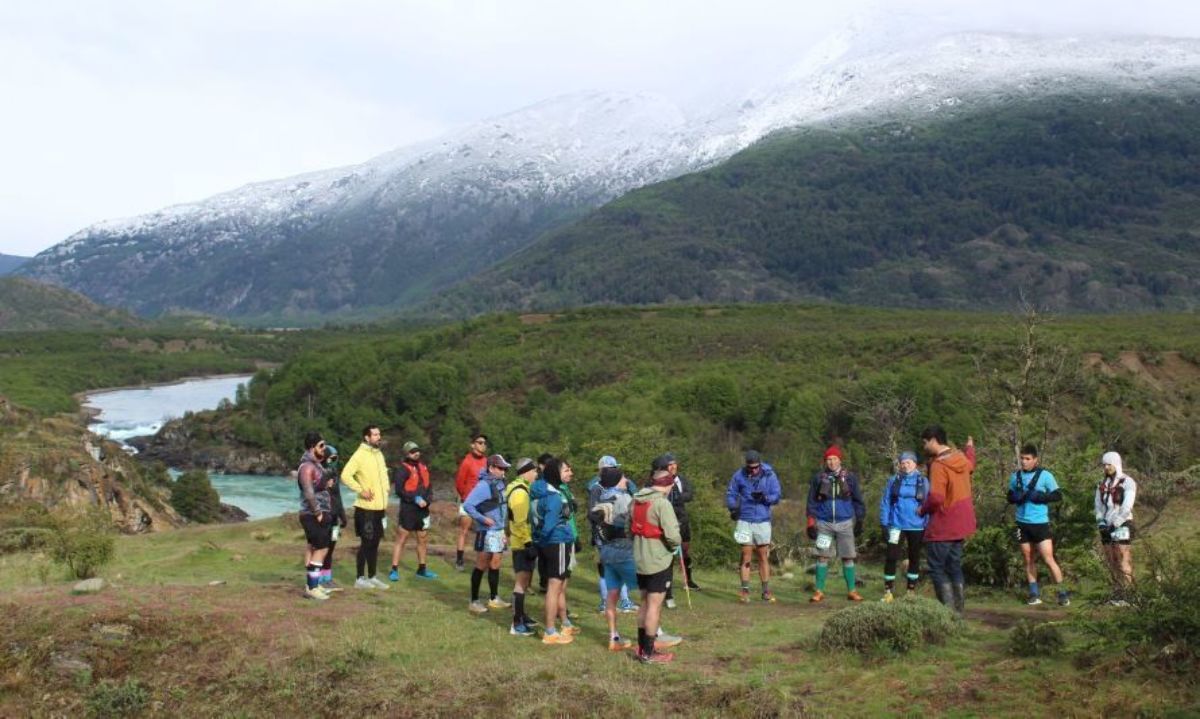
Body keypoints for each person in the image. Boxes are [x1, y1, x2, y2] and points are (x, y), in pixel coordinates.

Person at [918, 427, 976, 616]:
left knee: (936, 568)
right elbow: (971, 464)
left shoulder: (938, 465)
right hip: (962, 522)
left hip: (944, 523)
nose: (924, 446)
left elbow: (936, 497)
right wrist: (969, 448)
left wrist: (922, 509)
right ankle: (959, 612)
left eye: (925, 442)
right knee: (954, 566)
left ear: (933, 440)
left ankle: (948, 613)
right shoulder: (960, 458)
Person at [631, 469, 682, 663]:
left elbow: (630, 527)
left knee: (644, 602)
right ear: (667, 485)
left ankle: (642, 648)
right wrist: (675, 547)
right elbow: (673, 535)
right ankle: (648, 653)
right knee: (654, 605)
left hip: (639, 558)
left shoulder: (635, 500)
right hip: (658, 560)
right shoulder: (662, 503)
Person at [1007, 444, 1068, 606]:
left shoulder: (1046, 476)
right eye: (1022, 458)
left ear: (1035, 460)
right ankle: (1034, 593)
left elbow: (1057, 495)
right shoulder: (1015, 476)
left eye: (1027, 459)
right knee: (1028, 559)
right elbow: (1009, 496)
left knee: (1048, 559)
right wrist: (1014, 497)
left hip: (1040, 524)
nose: (1024, 462)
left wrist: (1041, 497)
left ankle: (1062, 593)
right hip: (1022, 524)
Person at [807, 445, 866, 603]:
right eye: (828, 459)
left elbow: (858, 500)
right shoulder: (818, 478)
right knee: (822, 556)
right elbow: (811, 501)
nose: (831, 462)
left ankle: (852, 591)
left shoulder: (850, 478)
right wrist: (810, 522)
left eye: (834, 459)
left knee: (848, 557)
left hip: (845, 522)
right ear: (825, 461)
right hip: (824, 522)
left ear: (840, 460)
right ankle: (819, 591)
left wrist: (860, 520)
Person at [589, 465, 639, 651]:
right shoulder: (624, 498)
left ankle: (614, 637)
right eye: (624, 477)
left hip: (606, 552)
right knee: (649, 593)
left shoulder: (601, 498)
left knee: (611, 596)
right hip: (625, 551)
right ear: (618, 480)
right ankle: (655, 634)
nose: (626, 480)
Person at [531, 457, 578, 644]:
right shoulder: (553, 497)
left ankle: (563, 624)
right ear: (554, 473)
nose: (569, 473)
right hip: (556, 542)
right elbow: (550, 524)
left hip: (547, 542)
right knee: (554, 587)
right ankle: (550, 631)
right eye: (565, 470)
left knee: (558, 586)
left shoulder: (537, 491)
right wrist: (543, 541)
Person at [726, 450, 782, 603]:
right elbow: (731, 494)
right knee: (746, 555)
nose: (753, 470)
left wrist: (765, 498)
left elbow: (777, 496)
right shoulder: (739, 475)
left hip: (762, 520)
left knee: (763, 555)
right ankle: (745, 591)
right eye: (750, 468)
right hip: (744, 519)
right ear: (746, 465)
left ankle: (765, 591)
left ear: (760, 464)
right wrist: (733, 508)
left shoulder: (769, 475)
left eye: (756, 467)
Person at [341, 425, 390, 590]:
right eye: (375, 434)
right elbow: (345, 475)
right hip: (366, 508)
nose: (378, 437)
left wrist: (387, 488)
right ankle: (359, 578)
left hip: (379, 508)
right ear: (367, 437)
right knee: (366, 543)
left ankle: (373, 576)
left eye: (379, 434)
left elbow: (383, 475)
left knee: (375, 543)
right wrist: (361, 491)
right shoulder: (359, 455)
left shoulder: (379, 454)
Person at [463, 454, 511, 615]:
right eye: (500, 468)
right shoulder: (484, 485)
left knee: (496, 562)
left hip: (498, 530)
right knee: (481, 564)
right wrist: (483, 519)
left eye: (505, 468)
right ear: (491, 468)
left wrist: (503, 527)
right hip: (487, 531)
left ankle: (494, 598)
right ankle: (474, 601)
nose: (504, 471)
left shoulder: (500, 483)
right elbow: (468, 505)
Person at [878, 450, 929, 602]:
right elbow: (886, 502)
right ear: (899, 465)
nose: (905, 466)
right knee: (891, 557)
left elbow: (929, 504)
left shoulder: (923, 481)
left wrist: (928, 524)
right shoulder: (893, 480)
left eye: (909, 462)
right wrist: (884, 523)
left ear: (915, 464)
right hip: (896, 525)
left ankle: (910, 591)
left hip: (917, 526)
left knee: (914, 557)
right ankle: (888, 592)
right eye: (903, 463)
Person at [389, 441, 438, 582]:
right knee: (402, 538)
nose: (416, 453)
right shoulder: (402, 469)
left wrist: (427, 500)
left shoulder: (423, 467)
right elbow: (399, 490)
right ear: (406, 453)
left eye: (417, 450)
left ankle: (422, 569)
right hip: (409, 508)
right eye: (412, 451)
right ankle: (394, 569)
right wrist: (414, 498)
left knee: (422, 538)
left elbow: (429, 487)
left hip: (423, 509)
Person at [1095, 450, 1137, 605]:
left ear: (1116, 464)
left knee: (1123, 558)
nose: (1106, 467)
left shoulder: (1128, 482)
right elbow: (1098, 505)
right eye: (1104, 464)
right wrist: (1101, 522)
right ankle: (1117, 592)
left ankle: (1129, 595)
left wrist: (1116, 523)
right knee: (1111, 560)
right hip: (1106, 525)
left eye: (1109, 464)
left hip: (1122, 524)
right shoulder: (1101, 484)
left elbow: (1127, 507)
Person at [504, 457, 540, 636]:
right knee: (520, 583)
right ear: (526, 471)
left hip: (521, 542)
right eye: (534, 471)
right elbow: (519, 522)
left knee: (524, 582)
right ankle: (516, 623)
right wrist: (528, 543)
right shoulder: (520, 493)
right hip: (521, 544)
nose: (536, 474)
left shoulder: (522, 489)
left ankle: (522, 615)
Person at [661, 452, 700, 610]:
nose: (673, 466)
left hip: (682, 519)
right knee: (668, 555)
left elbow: (690, 494)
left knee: (685, 551)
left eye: (674, 463)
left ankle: (688, 581)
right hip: (667, 520)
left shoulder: (681, 480)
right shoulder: (660, 481)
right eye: (670, 464)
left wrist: (678, 496)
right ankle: (667, 593)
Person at [298, 432, 334, 600]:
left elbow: (317, 486)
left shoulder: (316, 465)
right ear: (312, 447)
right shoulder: (306, 466)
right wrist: (318, 512)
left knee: (321, 548)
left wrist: (326, 483)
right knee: (320, 549)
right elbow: (308, 492)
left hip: (321, 513)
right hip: (312, 514)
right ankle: (312, 588)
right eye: (321, 445)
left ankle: (313, 583)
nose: (324, 448)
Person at [454, 433, 490, 572]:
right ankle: (459, 559)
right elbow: (459, 482)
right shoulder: (467, 461)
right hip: (469, 502)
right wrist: (466, 497)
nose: (483, 445)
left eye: (484, 443)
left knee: (483, 531)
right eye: (480, 442)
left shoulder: (487, 461)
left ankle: (481, 561)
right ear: (473, 444)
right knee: (464, 531)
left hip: (483, 503)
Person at [318, 444, 348, 591]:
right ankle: (317, 579)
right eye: (331, 458)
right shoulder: (319, 472)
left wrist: (343, 514)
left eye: (336, 458)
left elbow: (338, 495)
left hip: (335, 516)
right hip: (325, 515)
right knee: (322, 548)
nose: (334, 460)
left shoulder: (334, 472)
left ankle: (327, 578)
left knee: (331, 548)